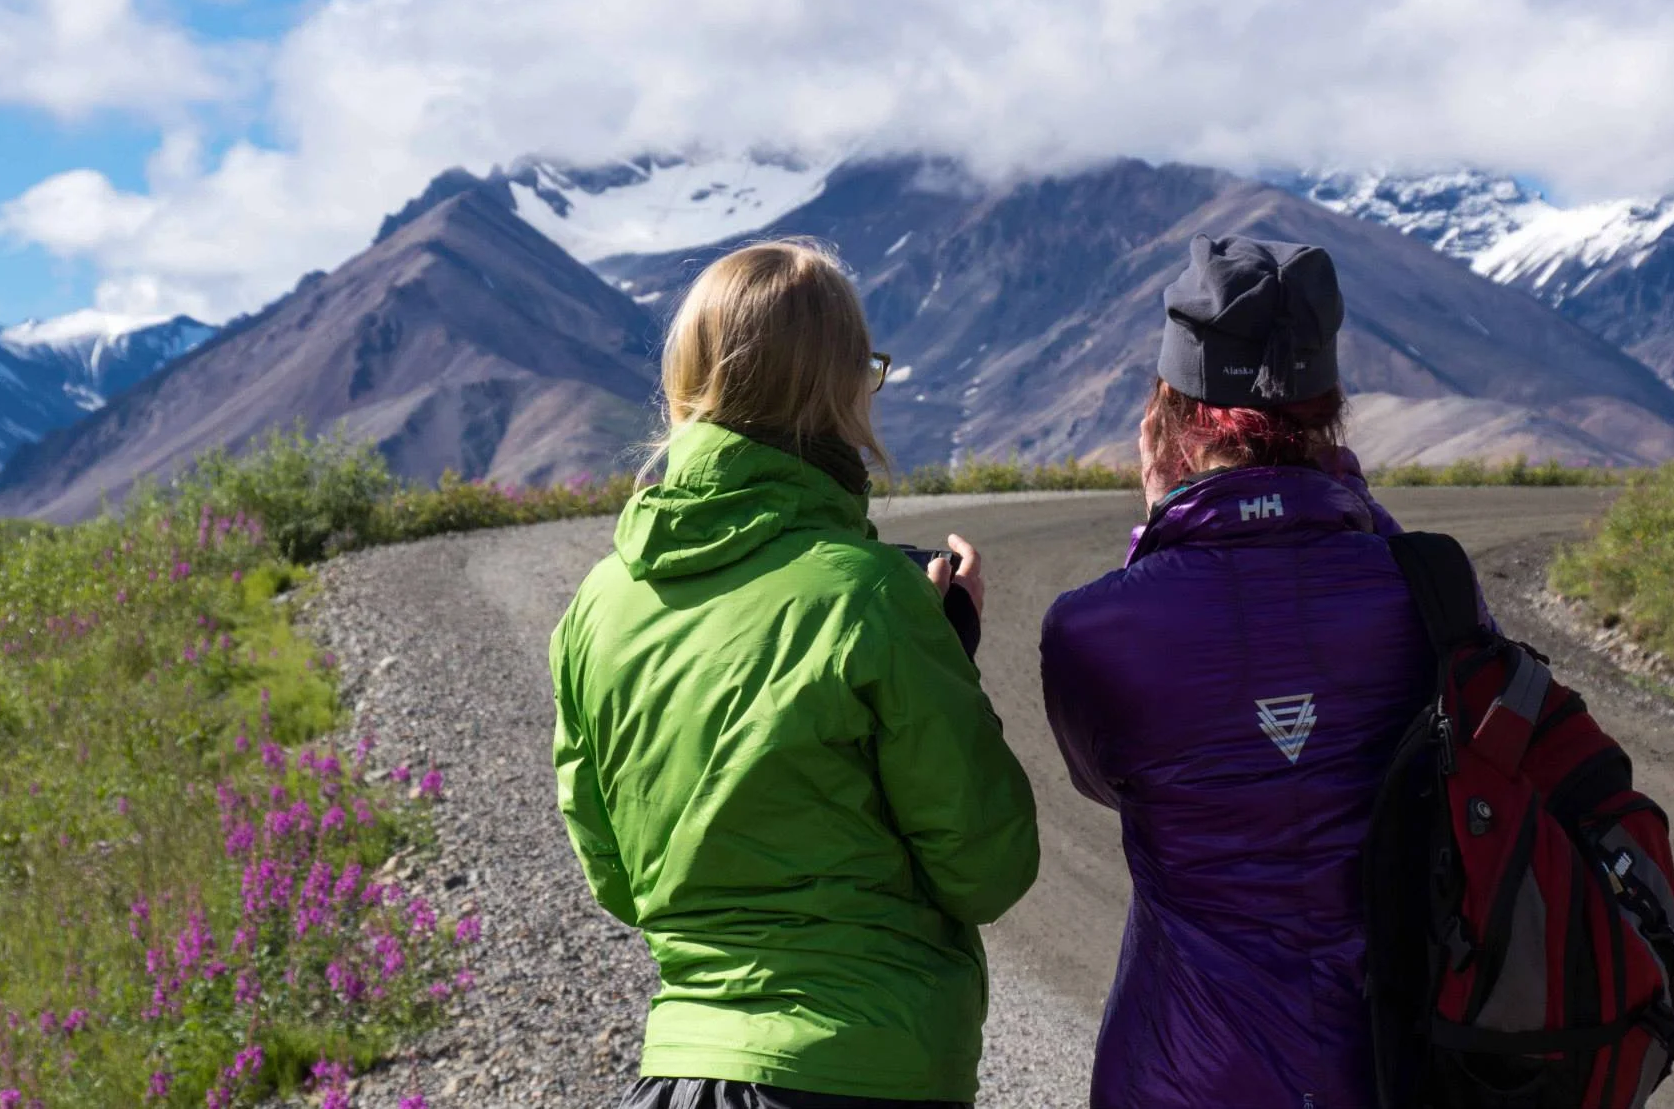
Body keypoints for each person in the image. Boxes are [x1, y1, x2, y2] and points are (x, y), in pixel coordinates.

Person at [550, 238, 1040, 1109]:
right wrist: (944, 661)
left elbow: (619, 880)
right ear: (841, 388)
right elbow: (987, 867)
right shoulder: (874, 602)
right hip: (867, 1073)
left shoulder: (596, 606)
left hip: (682, 1069)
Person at [1040, 233, 1453, 1109]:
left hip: (1181, 1076)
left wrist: (1159, 537)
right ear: (1332, 408)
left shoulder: (1093, 627)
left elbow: (1111, 782)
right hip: (1396, 1069)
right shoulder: (1431, 591)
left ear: (1170, 413)